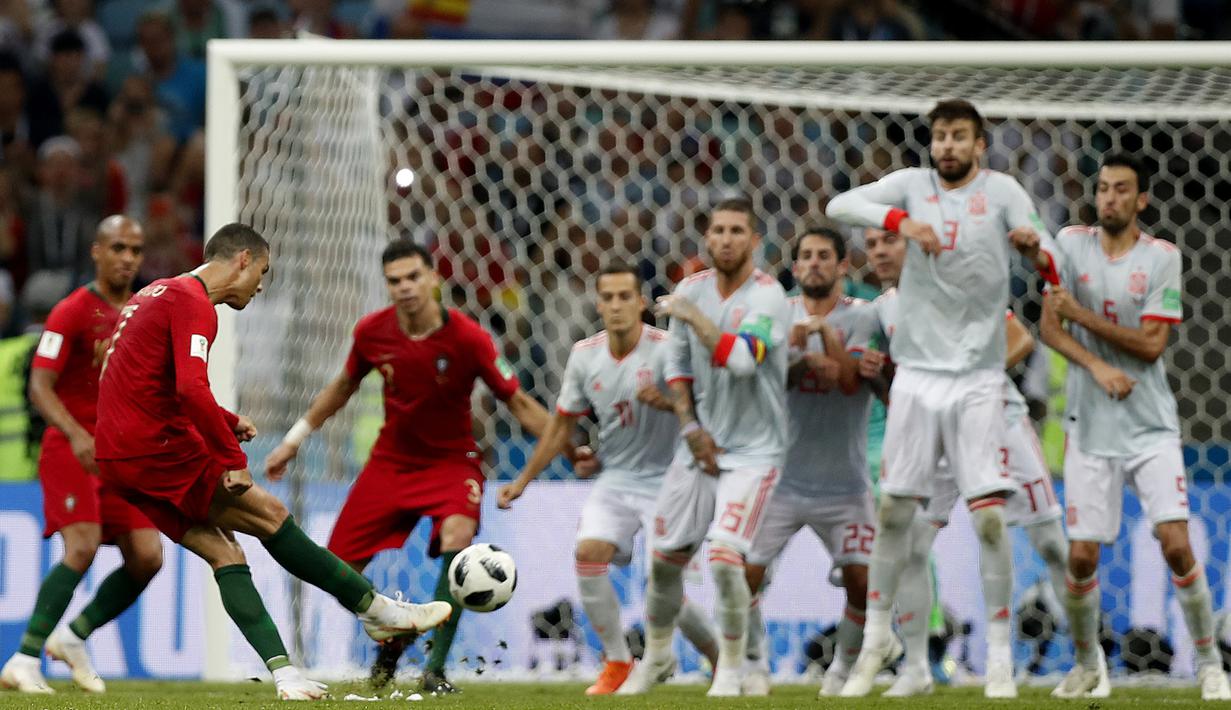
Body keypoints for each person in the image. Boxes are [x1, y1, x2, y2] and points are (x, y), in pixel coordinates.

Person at [93, 223, 450, 701]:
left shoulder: (156, 293)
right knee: (271, 515)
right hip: (154, 450)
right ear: (242, 259)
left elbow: (146, 381)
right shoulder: (194, 303)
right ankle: (379, 612)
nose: (260, 285)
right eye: (262, 272)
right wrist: (231, 457)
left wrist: (224, 418)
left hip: (118, 457)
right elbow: (189, 388)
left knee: (226, 553)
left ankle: (286, 675)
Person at [826, 98, 1060, 699]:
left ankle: (1001, 657)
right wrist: (901, 223)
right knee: (897, 518)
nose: (948, 146)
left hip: (981, 380)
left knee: (987, 524)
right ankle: (883, 640)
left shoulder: (1004, 192)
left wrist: (1035, 251)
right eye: (940, 137)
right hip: (919, 381)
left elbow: (1050, 252)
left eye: (959, 136)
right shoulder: (910, 186)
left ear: (980, 144)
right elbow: (839, 205)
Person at [265, 238, 550, 694]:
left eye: (413, 277)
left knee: (458, 539)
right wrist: (294, 440)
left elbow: (516, 400)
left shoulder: (469, 338)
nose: (404, 287)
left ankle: (434, 669)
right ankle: (396, 633)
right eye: (394, 281)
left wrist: (565, 442)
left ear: (433, 278)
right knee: (335, 566)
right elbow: (341, 388)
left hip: (453, 463)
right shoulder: (372, 333)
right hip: (391, 463)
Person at [1041, 153, 1231, 700]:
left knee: (1175, 544)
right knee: (1080, 557)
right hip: (1090, 426)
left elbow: (1151, 345)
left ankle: (1209, 662)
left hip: (1149, 427)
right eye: (1103, 189)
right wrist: (1097, 365)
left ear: (1142, 199)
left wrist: (1083, 317)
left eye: (1122, 190)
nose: (1110, 199)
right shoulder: (1070, 244)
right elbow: (1049, 327)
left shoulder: (1162, 258)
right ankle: (1085, 665)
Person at [862, 226, 1071, 697]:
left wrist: (968, 382)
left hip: (997, 422)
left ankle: (1084, 660)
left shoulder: (960, 284)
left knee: (1051, 544)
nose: (878, 252)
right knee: (913, 545)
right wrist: (883, 379)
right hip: (935, 433)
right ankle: (916, 667)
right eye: (871, 244)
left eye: (887, 242)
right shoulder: (885, 308)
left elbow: (1019, 340)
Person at [497, 262, 718, 695]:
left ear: (640, 303)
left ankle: (717, 656)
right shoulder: (585, 355)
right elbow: (561, 424)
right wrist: (523, 481)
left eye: (624, 297)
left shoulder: (668, 349)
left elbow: (706, 412)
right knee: (588, 553)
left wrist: (672, 404)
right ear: (598, 304)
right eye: (608, 298)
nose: (616, 306)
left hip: (670, 479)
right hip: (616, 479)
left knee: (664, 584)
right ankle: (617, 660)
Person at [617, 196, 791, 697]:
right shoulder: (689, 289)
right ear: (707, 237)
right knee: (664, 560)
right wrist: (691, 430)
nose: (726, 240)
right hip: (700, 448)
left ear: (754, 241)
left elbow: (742, 359)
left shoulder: (768, 297)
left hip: (756, 453)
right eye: (717, 231)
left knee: (722, 557)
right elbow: (679, 370)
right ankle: (656, 657)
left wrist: (694, 318)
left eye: (737, 231)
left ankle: (734, 667)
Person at [0, 217, 158, 695]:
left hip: (120, 455)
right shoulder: (70, 311)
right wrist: (74, 434)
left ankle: (73, 637)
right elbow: (39, 386)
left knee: (148, 557)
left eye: (135, 249)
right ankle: (24, 659)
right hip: (71, 447)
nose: (127, 257)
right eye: (118, 247)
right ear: (96, 252)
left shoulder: (143, 312)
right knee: (83, 547)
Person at [740, 226, 880, 697]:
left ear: (844, 265)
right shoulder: (773, 315)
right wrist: (796, 360)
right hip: (782, 480)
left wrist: (826, 338)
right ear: (794, 267)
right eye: (806, 257)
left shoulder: (864, 317)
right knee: (743, 577)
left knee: (862, 583)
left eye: (825, 256)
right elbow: (753, 381)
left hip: (846, 483)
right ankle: (755, 664)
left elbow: (848, 382)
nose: (814, 263)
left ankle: (841, 670)